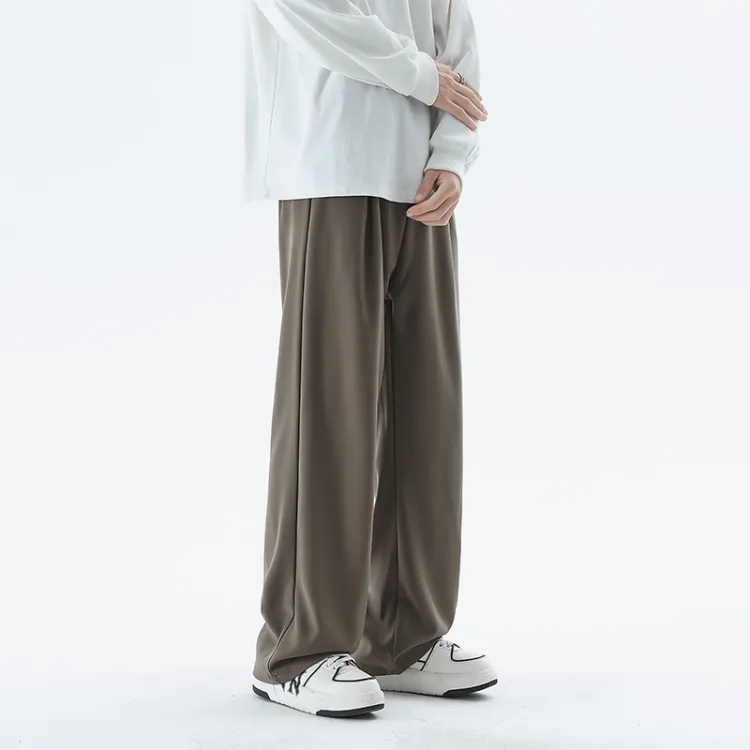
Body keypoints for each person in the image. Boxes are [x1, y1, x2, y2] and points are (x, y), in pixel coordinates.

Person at [244, 0, 495, 718]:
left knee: (428, 409)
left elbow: (456, 29)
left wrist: (452, 154)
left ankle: (403, 636)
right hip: (329, 161)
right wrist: (422, 78)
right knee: (329, 410)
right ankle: (297, 648)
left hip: (420, 177)